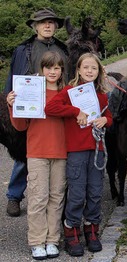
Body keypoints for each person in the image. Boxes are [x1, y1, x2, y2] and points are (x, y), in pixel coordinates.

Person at [45, 53, 112, 257]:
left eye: (94, 68)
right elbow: (51, 107)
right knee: (76, 192)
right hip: (76, 150)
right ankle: (71, 229)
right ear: (79, 70)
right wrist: (76, 112)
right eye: (86, 68)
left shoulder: (101, 94)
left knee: (95, 191)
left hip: (97, 150)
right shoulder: (69, 91)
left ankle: (91, 229)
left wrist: (105, 122)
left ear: (99, 71)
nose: (90, 71)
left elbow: (108, 116)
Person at [4, 8, 69, 217]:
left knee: (57, 150)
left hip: (57, 104)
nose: (47, 25)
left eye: (51, 22)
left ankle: (57, 196)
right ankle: (14, 196)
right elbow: (13, 77)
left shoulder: (63, 50)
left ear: (56, 26)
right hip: (30, 106)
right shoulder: (24, 49)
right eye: (43, 23)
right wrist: (9, 100)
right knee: (26, 152)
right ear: (36, 26)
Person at [7, 51, 67, 259]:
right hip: (37, 152)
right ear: (42, 69)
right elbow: (21, 125)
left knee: (56, 198)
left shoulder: (67, 92)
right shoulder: (31, 90)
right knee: (37, 198)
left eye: (57, 68)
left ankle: (52, 240)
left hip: (61, 153)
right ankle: (36, 241)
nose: (53, 71)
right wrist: (13, 106)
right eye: (49, 67)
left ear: (61, 71)